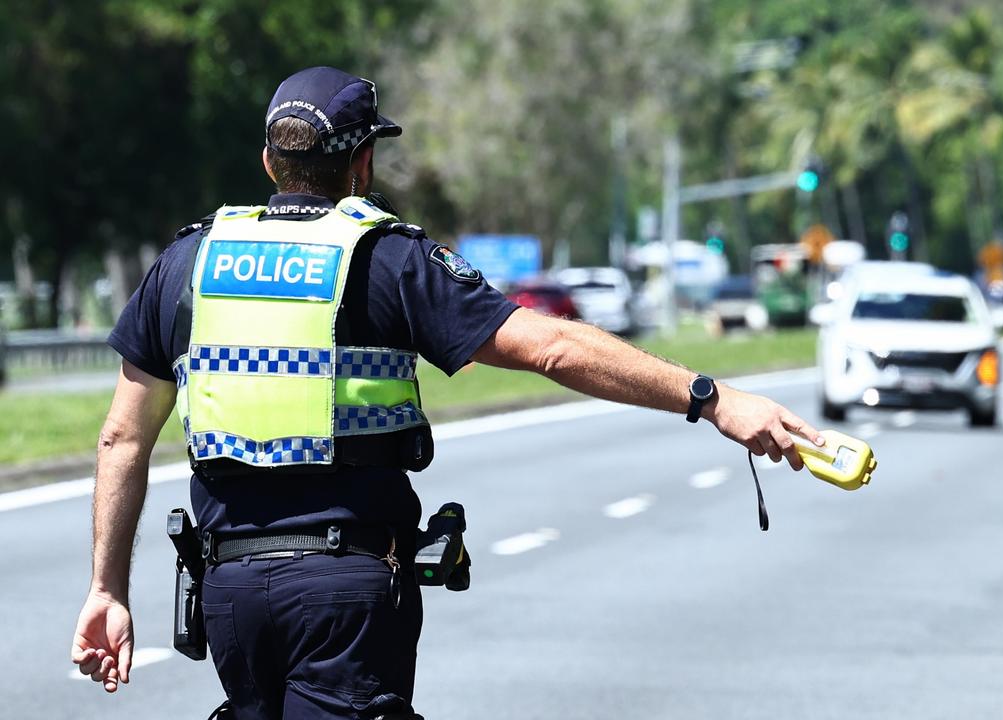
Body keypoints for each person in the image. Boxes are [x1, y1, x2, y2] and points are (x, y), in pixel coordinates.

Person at [70, 66, 823, 720]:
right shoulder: (388, 258)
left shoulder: (189, 263)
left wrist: (107, 588)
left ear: (270, 161)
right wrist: (711, 397)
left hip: (230, 591)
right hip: (345, 595)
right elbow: (553, 345)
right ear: (362, 163)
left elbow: (121, 438)